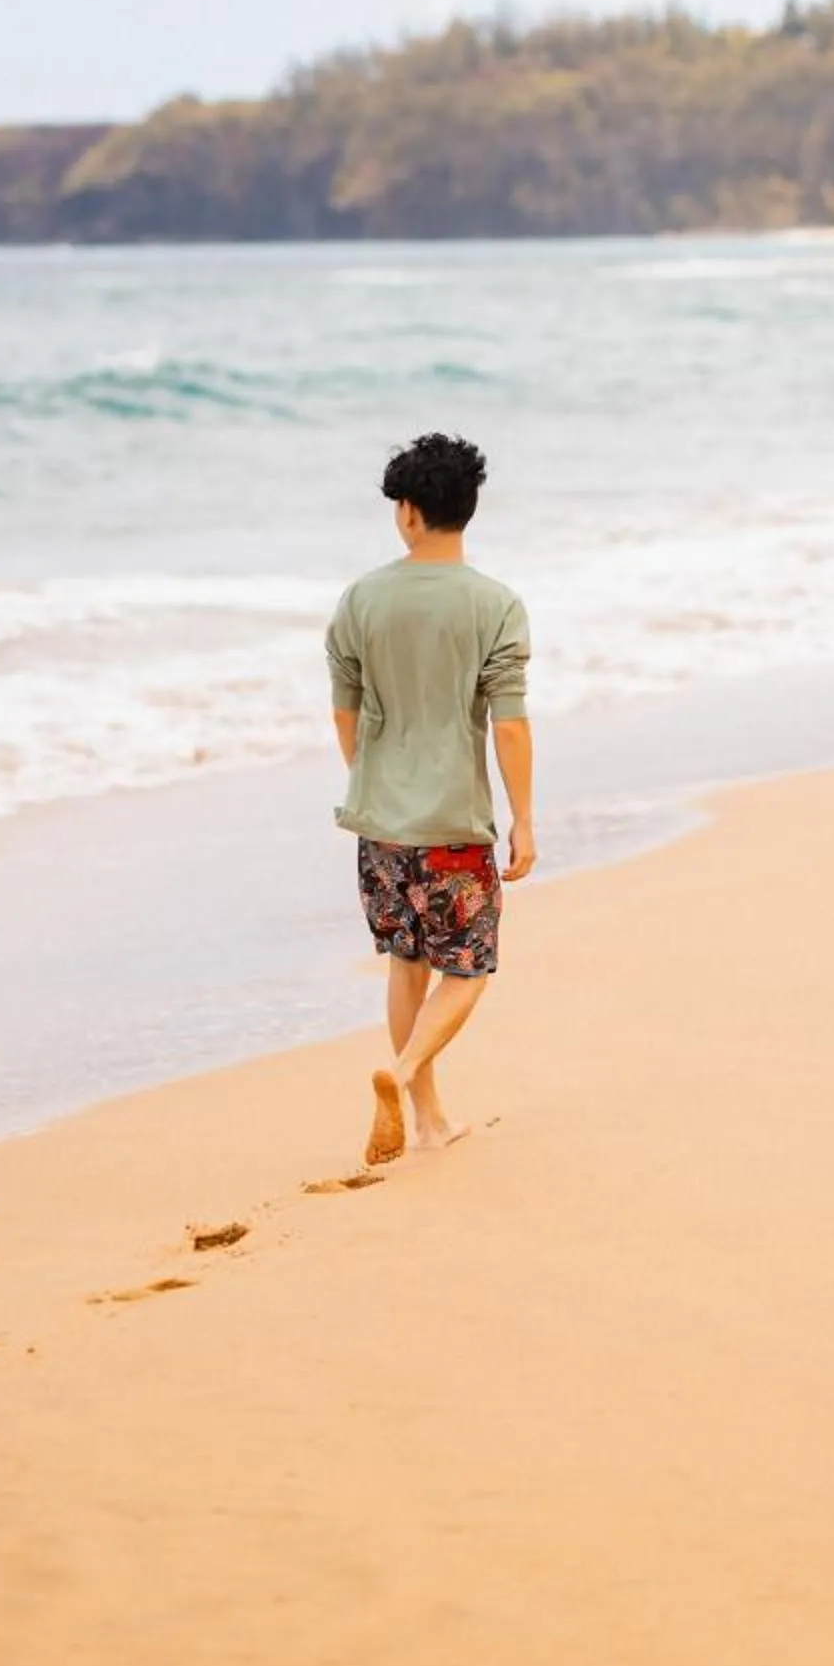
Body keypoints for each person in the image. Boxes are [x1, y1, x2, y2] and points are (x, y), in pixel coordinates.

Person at [325, 431, 534, 1165]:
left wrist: (372, 778)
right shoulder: (497, 606)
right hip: (453, 823)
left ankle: (429, 1120)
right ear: (465, 510)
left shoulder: (361, 600)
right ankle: (409, 1075)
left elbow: (345, 711)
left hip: (380, 823)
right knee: (469, 966)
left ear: (408, 512)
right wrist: (524, 821)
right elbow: (508, 725)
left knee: (406, 963)